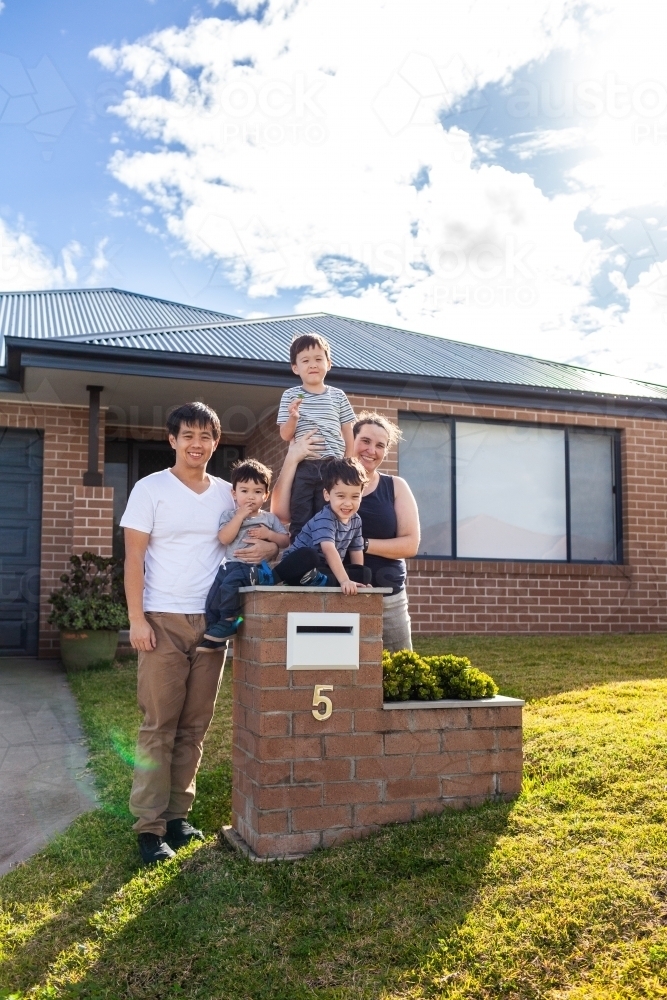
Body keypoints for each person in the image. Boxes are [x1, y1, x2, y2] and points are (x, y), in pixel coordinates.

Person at [120, 402, 280, 865]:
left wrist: (269, 544)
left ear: (215, 442)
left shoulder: (231, 493)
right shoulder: (150, 490)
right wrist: (136, 620)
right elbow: (133, 561)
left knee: (194, 726)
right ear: (172, 440)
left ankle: (176, 817)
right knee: (159, 726)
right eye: (188, 435)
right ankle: (149, 828)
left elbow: (266, 532)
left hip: (213, 622)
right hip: (163, 619)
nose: (197, 444)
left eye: (206, 436)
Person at [272, 413, 420, 650]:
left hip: (387, 594)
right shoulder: (327, 479)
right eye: (365, 441)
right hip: (332, 591)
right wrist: (291, 459)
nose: (371, 450)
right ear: (350, 439)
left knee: (400, 672)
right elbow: (281, 514)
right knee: (342, 673)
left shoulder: (395, 487)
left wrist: (358, 542)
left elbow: (410, 545)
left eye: (380, 445)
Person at [197, 459, 289, 651]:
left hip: (253, 569)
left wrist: (269, 535)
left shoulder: (269, 519)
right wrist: (239, 517)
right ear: (234, 493)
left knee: (229, 586)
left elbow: (285, 541)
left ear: (266, 495)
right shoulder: (229, 516)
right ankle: (216, 636)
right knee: (214, 596)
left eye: (257, 492)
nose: (250, 497)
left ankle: (230, 621)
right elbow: (224, 538)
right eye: (244, 491)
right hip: (230, 565)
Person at [277, 332, 356, 540]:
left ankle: (324, 557)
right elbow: (285, 435)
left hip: (332, 466)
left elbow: (348, 432)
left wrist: (347, 464)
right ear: (295, 368)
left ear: (329, 363)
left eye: (319, 359)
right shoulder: (291, 395)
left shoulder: (337, 395)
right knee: (300, 511)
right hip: (304, 465)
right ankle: (296, 554)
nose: (313, 364)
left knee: (327, 515)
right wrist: (293, 418)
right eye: (305, 360)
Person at [273, 457, 372, 594]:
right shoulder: (325, 517)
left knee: (365, 573)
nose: (348, 503)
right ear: (327, 495)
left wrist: (358, 580)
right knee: (310, 555)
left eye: (355, 497)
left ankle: (322, 581)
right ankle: (271, 577)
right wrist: (344, 580)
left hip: (323, 569)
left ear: (361, 494)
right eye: (341, 496)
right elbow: (328, 549)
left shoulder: (356, 520)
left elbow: (356, 551)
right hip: (298, 566)